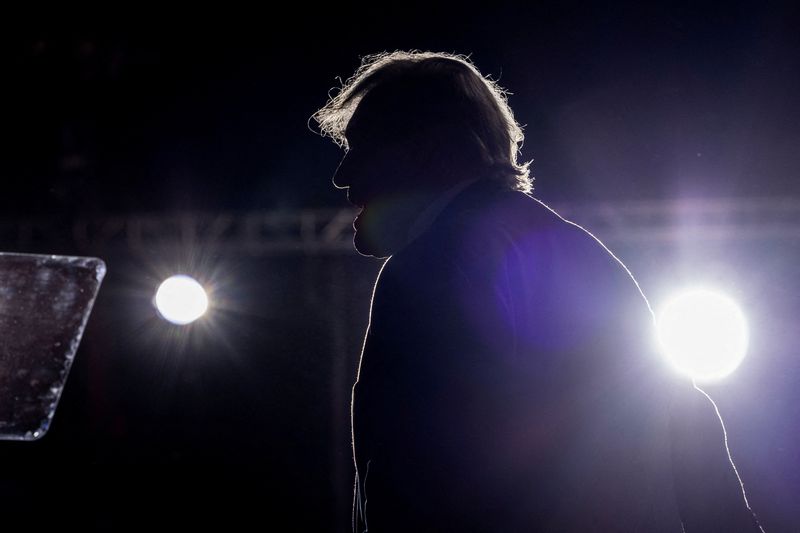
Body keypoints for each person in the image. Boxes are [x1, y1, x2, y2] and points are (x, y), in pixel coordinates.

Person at [313, 51, 762, 532]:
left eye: (363, 147)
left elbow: (415, 486)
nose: (343, 175)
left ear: (431, 151)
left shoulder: (427, 265)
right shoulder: (581, 254)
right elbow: (694, 442)